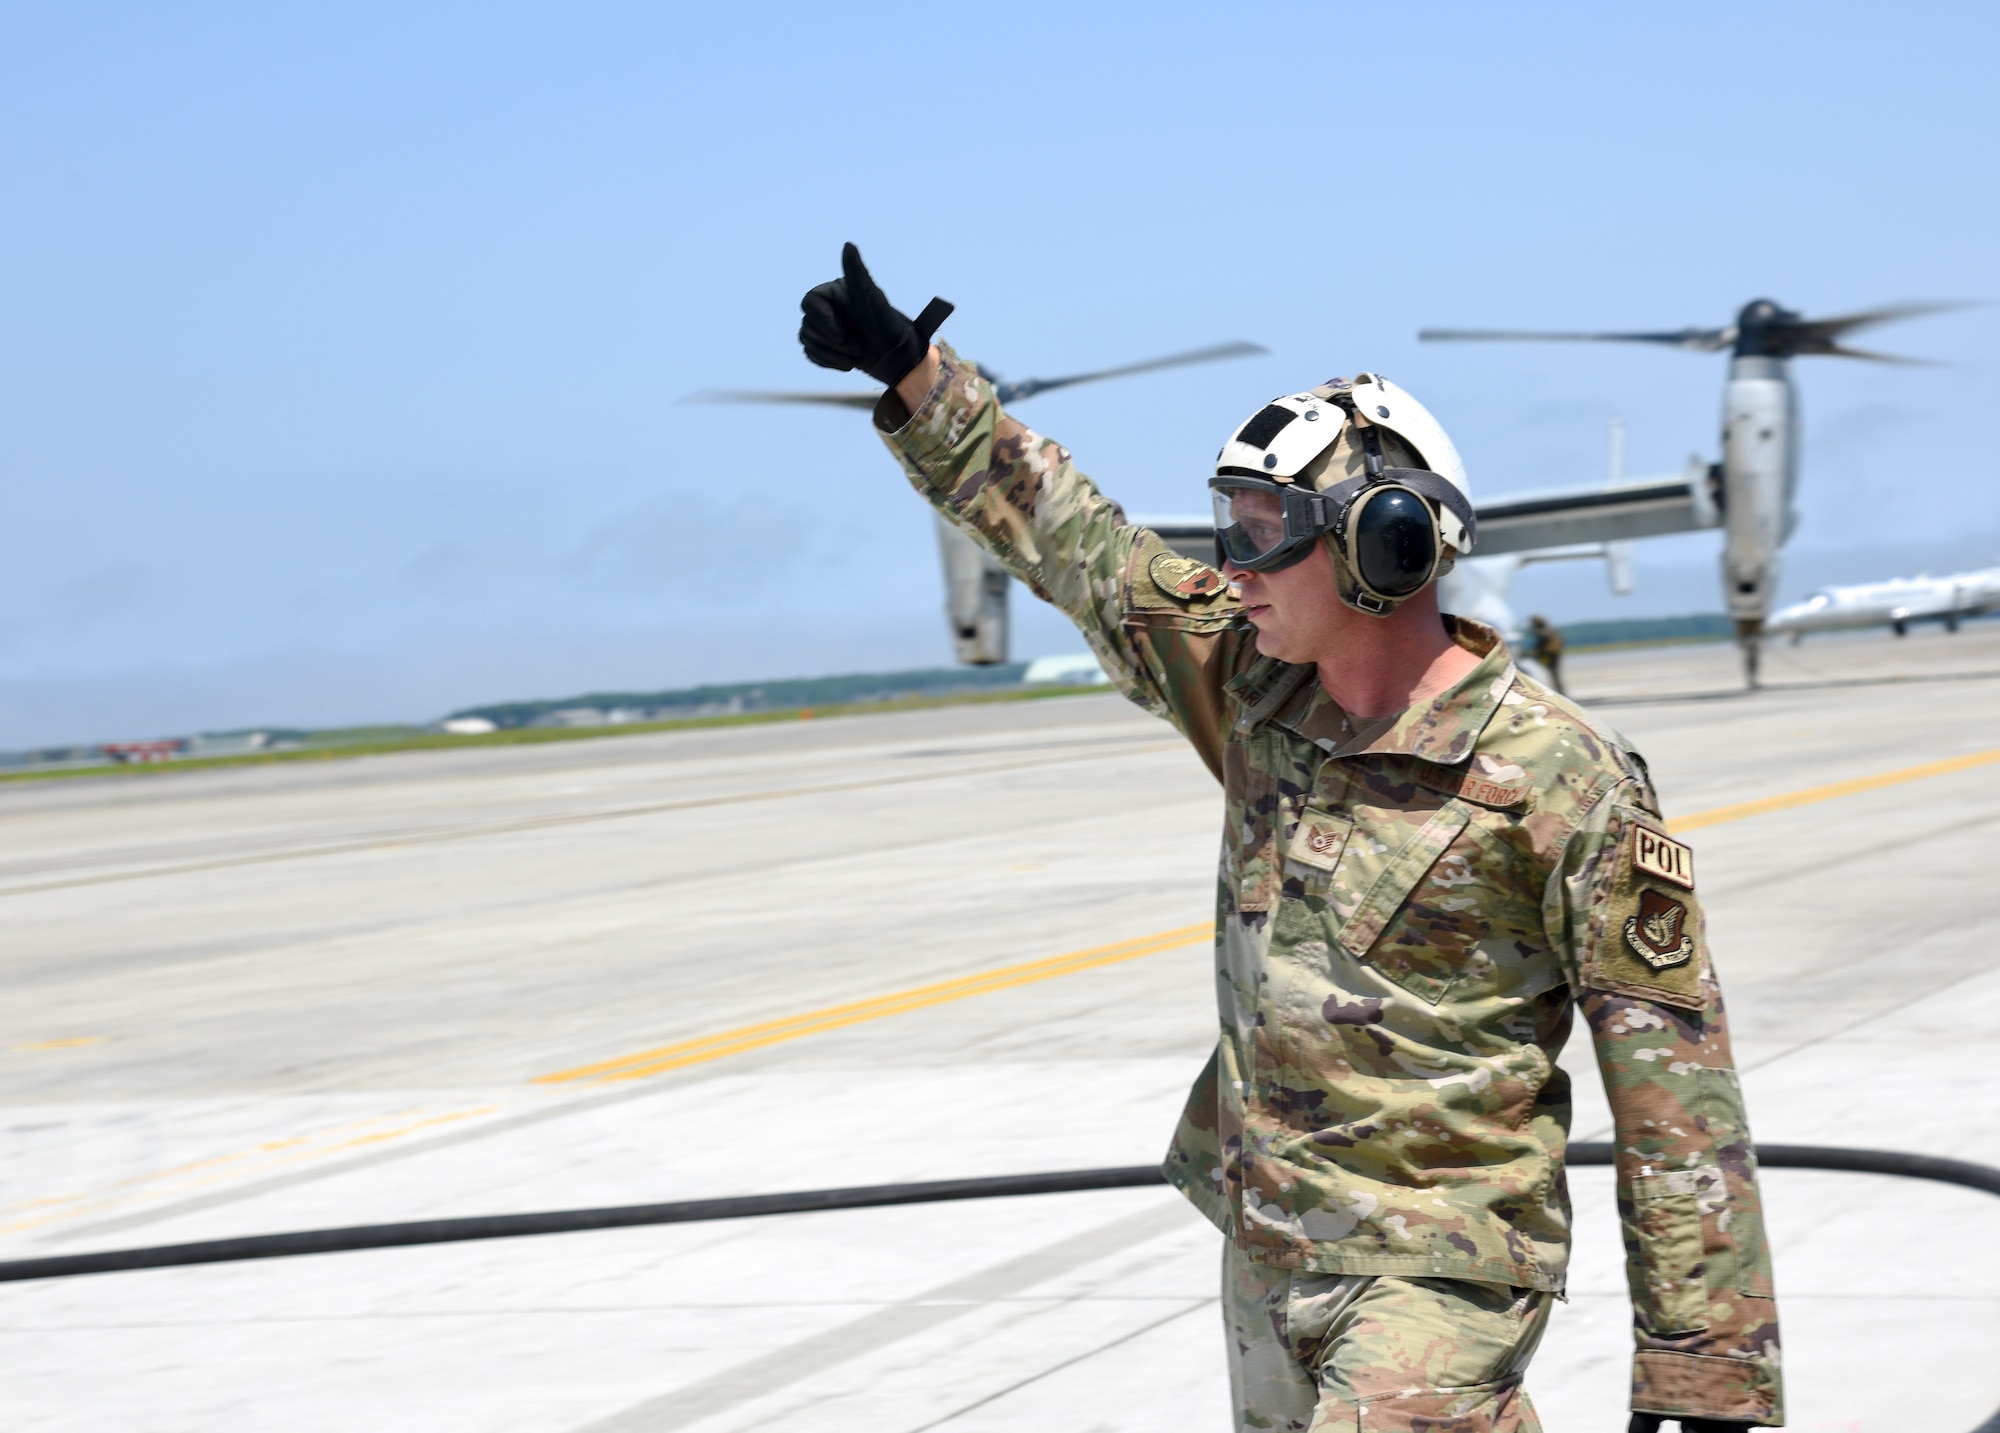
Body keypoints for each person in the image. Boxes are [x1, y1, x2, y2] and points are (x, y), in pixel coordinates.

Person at [798, 244, 1782, 1432]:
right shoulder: (1251, 683)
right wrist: (917, 378)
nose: (1231, 564)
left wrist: (1702, 1375)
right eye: (1229, 525)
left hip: (1439, 1272)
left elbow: (1675, 1088)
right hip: (1268, 1246)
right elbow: (1083, 547)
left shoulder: (1560, 778)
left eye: (1263, 530)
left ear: (1384, 544)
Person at [1527, 614, 1567, 695]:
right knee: (1553, 675)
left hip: (1550, 655)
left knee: (1554, 675)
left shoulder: (1546, 630)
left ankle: (1560, 693)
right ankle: (1560, 692)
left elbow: (1541, 635)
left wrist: (1533, 629)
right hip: (1548, 654)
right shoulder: (1549, 630)